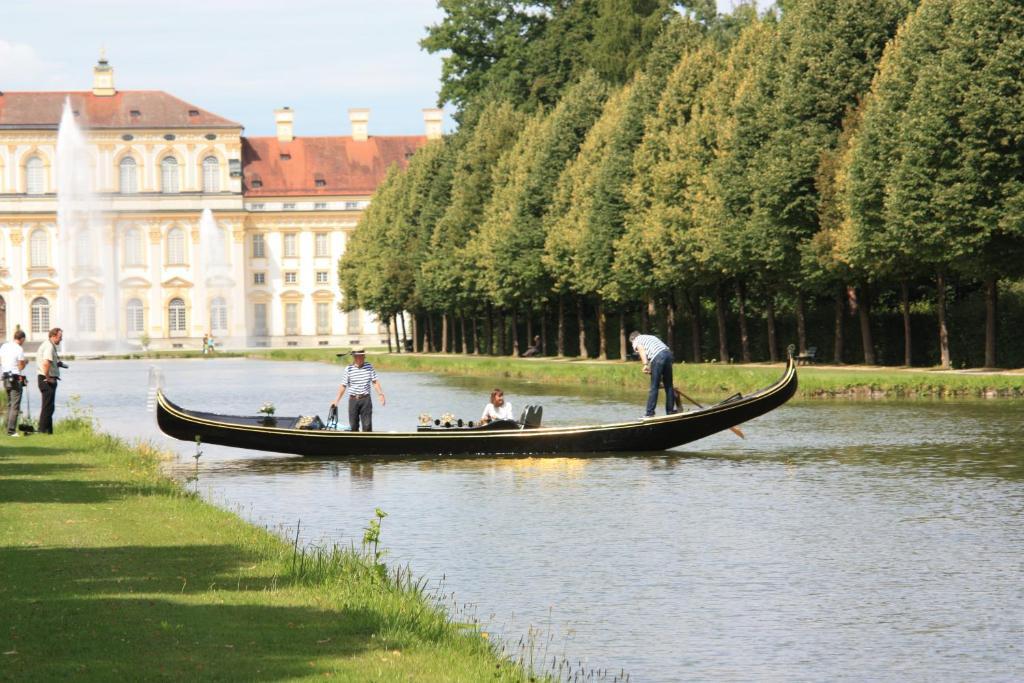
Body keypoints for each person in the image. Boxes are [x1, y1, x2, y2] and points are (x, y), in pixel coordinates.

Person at [331, 349, 385, 432]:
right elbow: (343, 385)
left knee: (367, 426)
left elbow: (375, 382)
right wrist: (336, 401)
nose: (360, 359)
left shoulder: (369, 367)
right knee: (353, 426)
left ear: (364, 357)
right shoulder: (348, 369)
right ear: (354, 357)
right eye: (358, 357)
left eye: (362, 356)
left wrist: (381, 394)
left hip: (366, 400)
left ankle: (367, 443)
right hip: (353, 400)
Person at [629, 331, 675, 417]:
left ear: (633, 339)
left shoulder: (637, 340)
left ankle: (649, 413)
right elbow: (660, 355)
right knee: (669, 386)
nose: (635, 349)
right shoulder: (650, 337)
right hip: (668, 354)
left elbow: (641, 350)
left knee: (654, 387)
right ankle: (670, 411)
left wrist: (645, 364)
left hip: (658, 356)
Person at [36, 327, 64, 434]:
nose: (61, 339)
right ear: (53, 336)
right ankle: (42, 431)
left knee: (49, 407)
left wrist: (57, 364)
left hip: (46, 378)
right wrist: (48, 378)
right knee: (48, 407)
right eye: (59, 337)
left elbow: (49, 363)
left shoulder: (49, 345)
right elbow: (46, 363)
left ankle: (48, 431)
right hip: (46, 380)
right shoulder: (49, 347)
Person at [1, 330, 28, 437]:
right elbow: (20, 366)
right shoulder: (19, 349)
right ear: (21, 339)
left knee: (9, 404)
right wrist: (25, 362)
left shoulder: (4, 346)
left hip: (5, 377)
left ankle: (7, 427)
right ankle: (11, 431)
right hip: (15, 379)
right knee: (15, 405)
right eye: (23, 340)